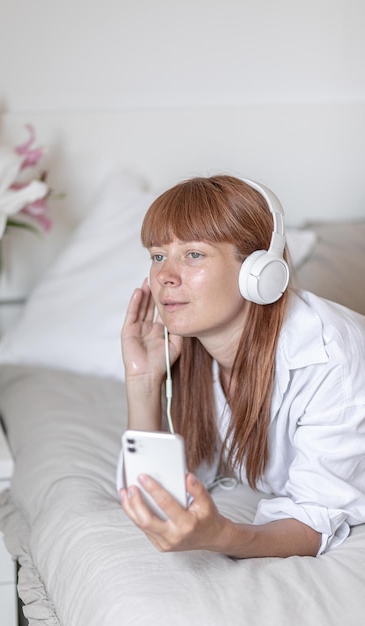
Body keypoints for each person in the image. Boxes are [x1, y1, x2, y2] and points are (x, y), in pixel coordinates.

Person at [118, 174, 365, 558]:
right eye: (158, 255)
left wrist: (223, 536)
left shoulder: (331, 357)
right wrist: (143, 381)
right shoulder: (192, 346)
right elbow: (153, 492)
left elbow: (315, 519)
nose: (165, 276)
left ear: (260, 273)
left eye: (194, 254)